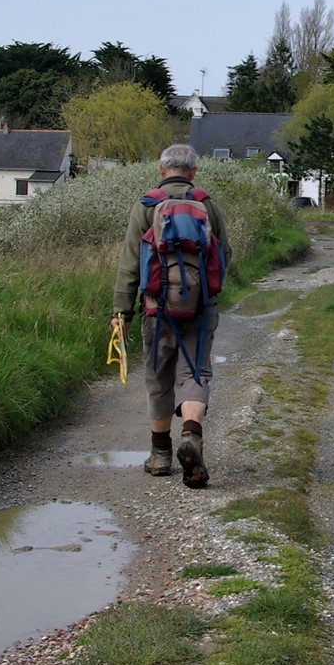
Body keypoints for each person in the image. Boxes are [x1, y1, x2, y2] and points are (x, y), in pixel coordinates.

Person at [113, 143, 228, 488]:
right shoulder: (207, 204)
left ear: (161, 170)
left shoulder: (146, 205)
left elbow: (130, 262)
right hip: (200, 306)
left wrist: (122, 312)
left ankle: (160, 455)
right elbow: (225, 255)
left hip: (156, 307)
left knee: (158, 374)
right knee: (195, 371)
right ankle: (191, 434)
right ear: (194, 172)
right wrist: (204, 294)